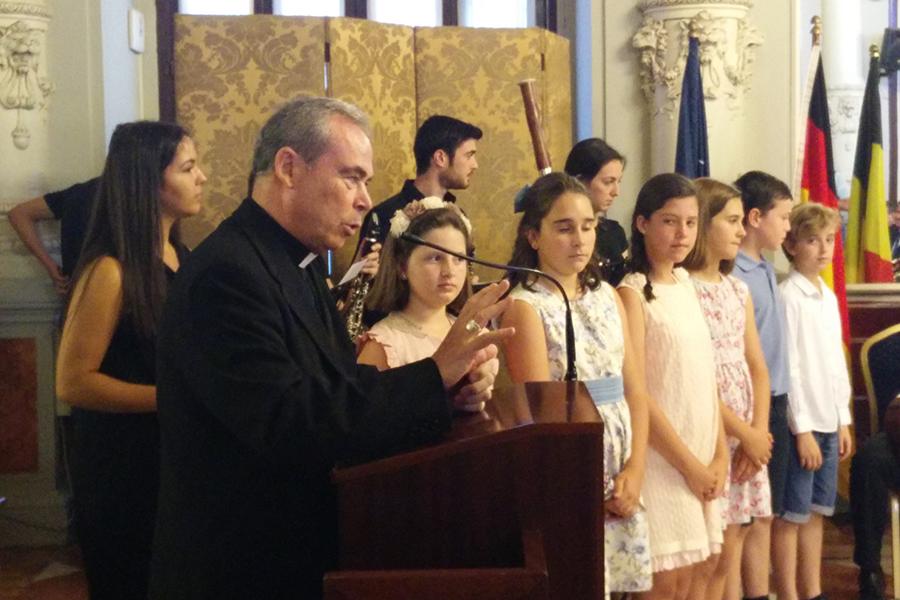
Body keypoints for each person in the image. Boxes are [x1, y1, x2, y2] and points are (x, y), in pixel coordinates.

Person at [149, 96, 513, 600]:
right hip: (241, 568)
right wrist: (432, 373)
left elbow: (339, 387)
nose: (365, 199)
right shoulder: (228, 273)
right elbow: (290, 419)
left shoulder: (296, 262)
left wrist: (448, 392)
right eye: (352, 177)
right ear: (288, 168)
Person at [54, 121, 206, 599]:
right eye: (189, 167)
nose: (202, 177)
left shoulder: (182, 256)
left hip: (168, 461)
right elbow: (73, 383)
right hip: (122, 470)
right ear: (150, 182)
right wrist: (172, 400)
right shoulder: (110, 270)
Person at [499, 172, 652, 598]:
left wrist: (636, 470)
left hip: (622, 463)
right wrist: (586, 481)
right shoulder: (527, 306)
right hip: (572, 471)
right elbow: (543, 416)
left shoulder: (608, 296)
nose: (579, 240)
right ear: (533, 235)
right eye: (564, 228)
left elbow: (635, 390)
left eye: (588, 227)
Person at [617, 173, 728, 600]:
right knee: (665, 583)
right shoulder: (631, 293)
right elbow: (640, 391)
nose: (682, 233)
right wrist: (689, 465)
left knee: (700, 574)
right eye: (669, 221)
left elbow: (703, 378)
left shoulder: (686, 284)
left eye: (691, 222)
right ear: (643, 223)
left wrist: (717, 453)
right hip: (664, 460)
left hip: (701, 453)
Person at [682, 178, 773, 600]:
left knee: (732, 548)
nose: (741, 231)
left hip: (748, 442)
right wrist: (743, 432)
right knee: (708, 555)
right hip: (712, 431)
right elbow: (694, 381)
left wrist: (760, 434)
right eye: (733, 221)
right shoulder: (685, 291)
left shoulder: (738, 290)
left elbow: (757, 367)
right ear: (703, 224)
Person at [778, 202, 853, 600]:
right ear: (791, 245)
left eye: (829, 240)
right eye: (812, 241)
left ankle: (813, 591)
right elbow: (790, 369)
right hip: (802, 427)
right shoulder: (789, 297)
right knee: (792, 516)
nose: (823, 250)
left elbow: (834, 364)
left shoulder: (825, 296)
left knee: (817, 514)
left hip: (827, 420)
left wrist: (842, 419)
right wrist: (802, 429)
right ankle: (789, 592)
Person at [732, 170, 793, 600]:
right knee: (744, 517)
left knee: (766, 513)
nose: (788, 227)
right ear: (756, 217)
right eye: (784, 217)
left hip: (776, 400)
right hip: (749, 407)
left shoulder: (767, 268)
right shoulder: (733, 273)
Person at [358, 198, 474, 370]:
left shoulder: (468, 332)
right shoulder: (385, 344)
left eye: (458, 259)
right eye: (435, 258)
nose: (449, 271)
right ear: (402, 267)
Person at [355, 114, 482, 254]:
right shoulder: (383, 216)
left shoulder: (457, 215)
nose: (475, 165)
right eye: (469, 155)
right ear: (440, 158)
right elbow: (367, 273)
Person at [8, 177, 100, 294]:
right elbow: (18, 214)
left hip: (78, 295)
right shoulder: (86, 193)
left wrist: (51, 268)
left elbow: (18, 214)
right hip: (110, 296)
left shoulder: (80, 192)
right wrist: (51, 266)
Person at [564, 137, 629, 285]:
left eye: (618, 182)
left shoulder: (615, 233)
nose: (616, 192)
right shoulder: (557, 236)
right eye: (608, 182)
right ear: (579, 182)